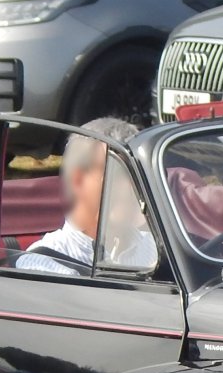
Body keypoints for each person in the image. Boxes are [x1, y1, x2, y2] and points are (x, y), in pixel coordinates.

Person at [16, 117, 156, 275]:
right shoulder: (42, 263)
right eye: (118, 174)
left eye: (138, 176)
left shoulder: (157, 251)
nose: (134, 187)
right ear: (78, 181)